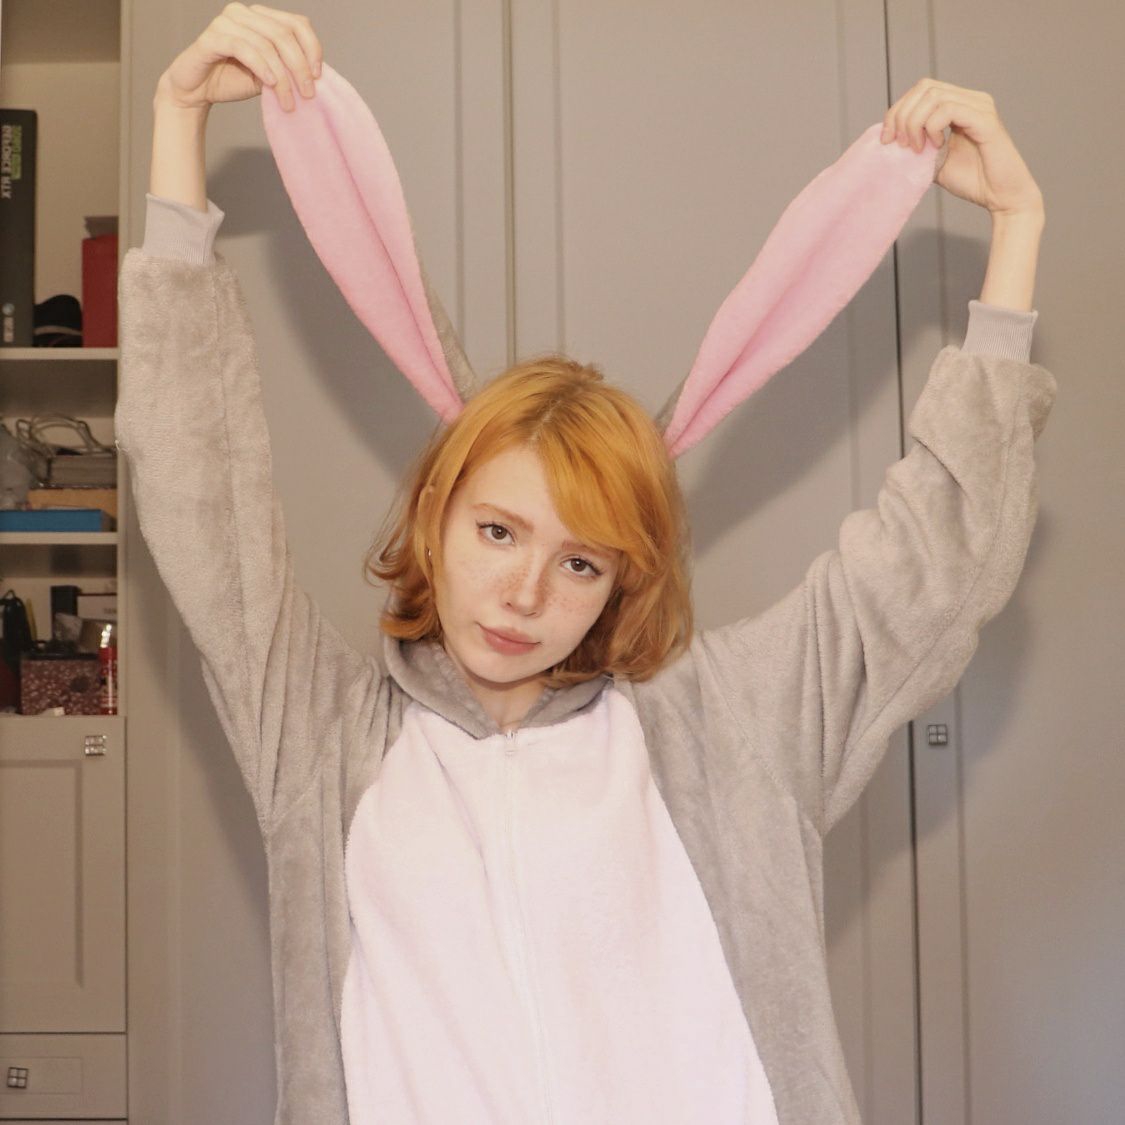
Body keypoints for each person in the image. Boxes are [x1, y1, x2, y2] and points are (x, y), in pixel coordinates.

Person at [116, 4, 1056, 1123]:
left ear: (623, 582)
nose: (524, 594)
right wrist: (175, 122)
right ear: (435, 517)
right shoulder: (322, 738)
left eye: (580, 564)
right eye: (498, 532)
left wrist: (1017, 229)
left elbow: (931, 567)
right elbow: (201, 489)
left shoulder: (729, 729)